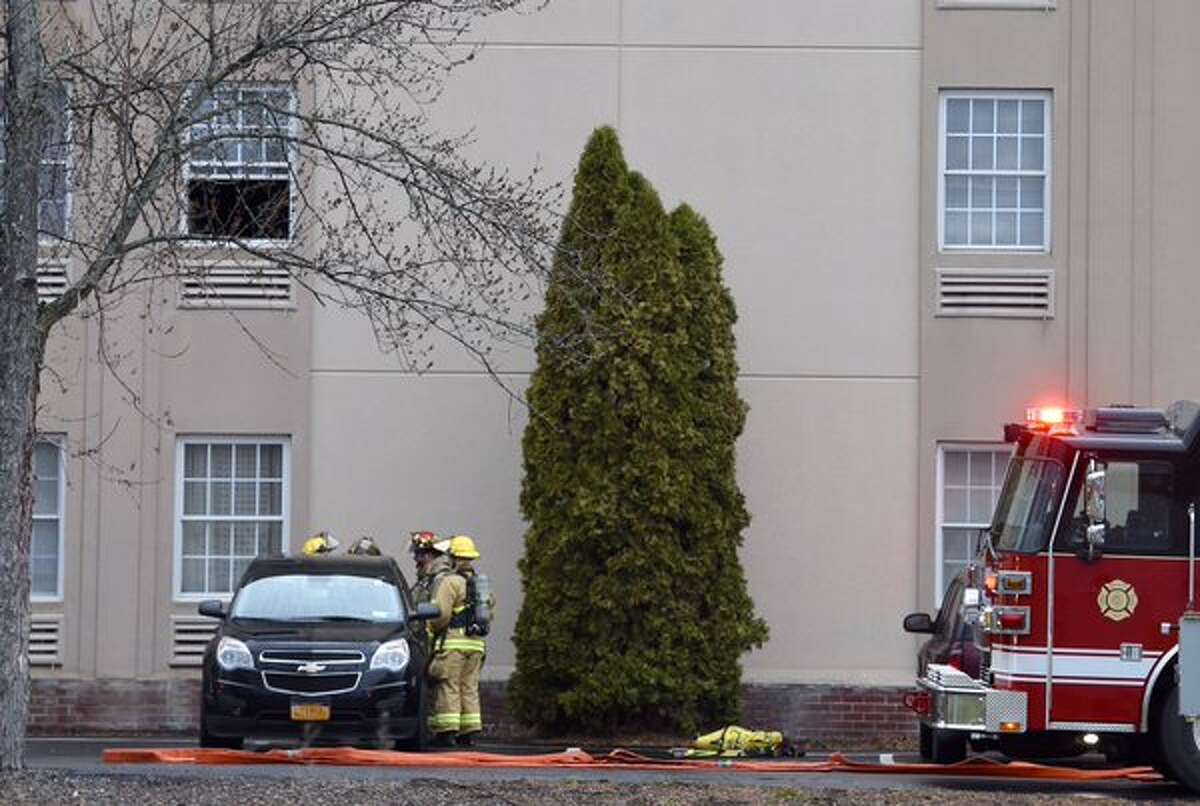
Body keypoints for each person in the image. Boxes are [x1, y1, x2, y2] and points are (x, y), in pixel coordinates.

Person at [427, 534, 492, 747]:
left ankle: (447, 732)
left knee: (449, 685)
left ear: (453, 557)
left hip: (454, 643)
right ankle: (469, 731)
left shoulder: (450, 582)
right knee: (469, 686)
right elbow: (490, 614)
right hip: (476, 644)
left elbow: (441, 615)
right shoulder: (482, 585)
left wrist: (431, 630)